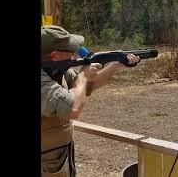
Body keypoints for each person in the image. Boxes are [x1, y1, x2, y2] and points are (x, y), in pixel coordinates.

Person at [41, 25, 140, 177]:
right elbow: (73, 109)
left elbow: (87, 88)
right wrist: (83, 76)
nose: (74, 56)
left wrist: (116, 65)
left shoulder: (57, 70)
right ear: (55, 55)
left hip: (57, 158)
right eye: (69, 51)